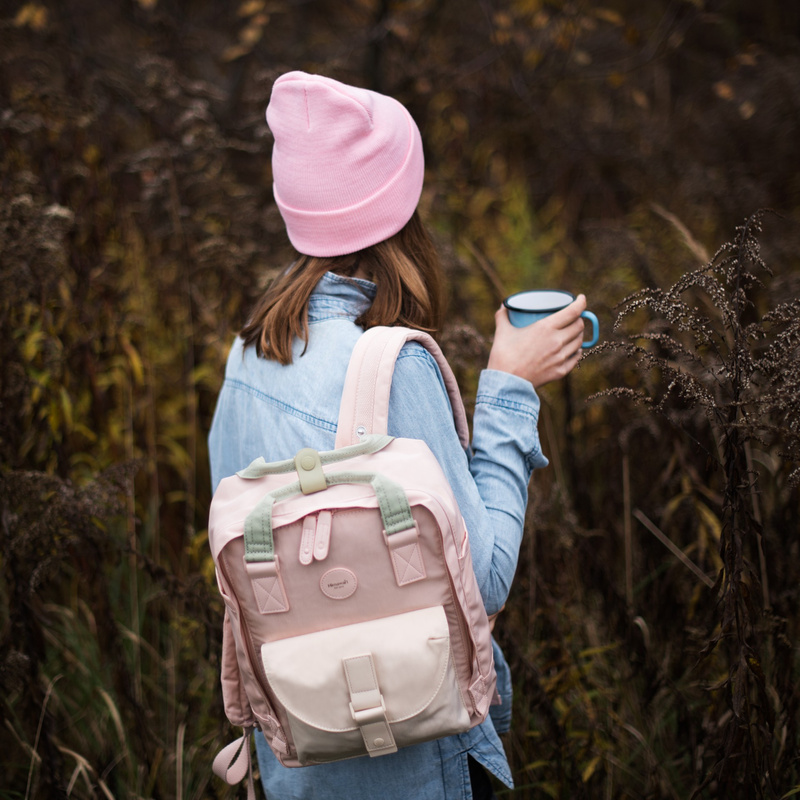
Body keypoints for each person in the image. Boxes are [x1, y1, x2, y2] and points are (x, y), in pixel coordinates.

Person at [208, 70, 587, 800]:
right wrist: (509, 388)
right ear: (402, 208)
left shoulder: (248, 353)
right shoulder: (395, 364)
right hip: (412, 763)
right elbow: (481, 582)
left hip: (296, 760)